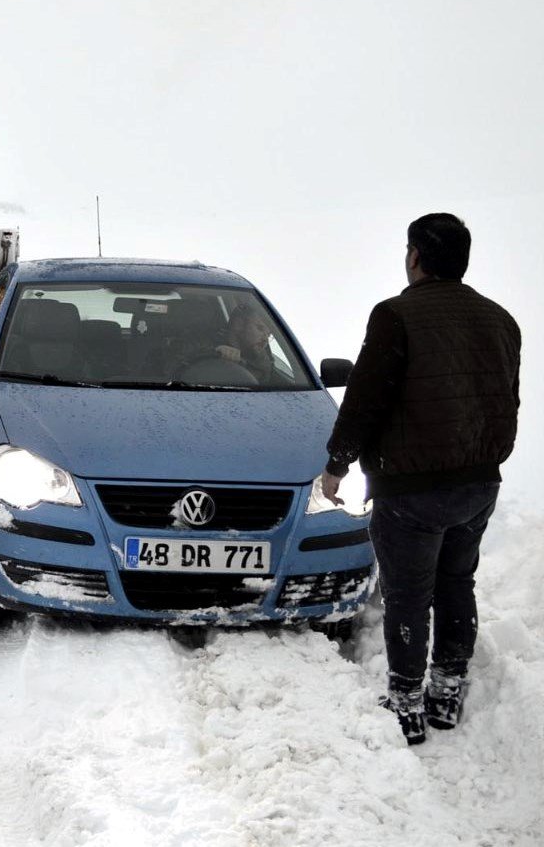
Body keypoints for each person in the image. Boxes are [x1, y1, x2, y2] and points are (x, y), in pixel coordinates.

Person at [318, 213, 521, 746]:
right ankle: (447, 690)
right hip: (479, 484)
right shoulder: (502, 321)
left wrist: (338, 462)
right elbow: (507, 401)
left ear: (415, 256)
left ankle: (406, 702)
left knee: (408, 596)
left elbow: (364, 400)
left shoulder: (395, 316)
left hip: (411, 489)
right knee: (457, 584)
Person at [215, 308, 275, 383]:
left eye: (268, 335)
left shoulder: (263, 363)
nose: (265, 339)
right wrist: (215, 353)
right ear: (238, 324)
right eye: (260, 328)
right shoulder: (209, 344)